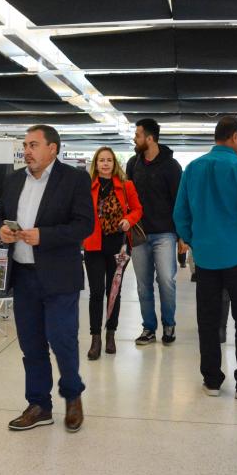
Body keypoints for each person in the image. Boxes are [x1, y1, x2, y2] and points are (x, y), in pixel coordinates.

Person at [0, 125, 93, 433]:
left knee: (63, 341)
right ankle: (39, 404)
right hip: (24, 276)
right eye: (25, 145)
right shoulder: (12, 180)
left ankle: (73, 397)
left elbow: (84, 225)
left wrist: (44, 236)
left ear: (53, 149)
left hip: (60, 276)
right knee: (31, 344)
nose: (27, 151)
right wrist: (1, 229)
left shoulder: (74, 179)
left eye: (33, 145)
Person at [174, 116, 237, 400]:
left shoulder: (192, 168)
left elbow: (180, 213)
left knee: (208, 318)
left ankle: (212, 380)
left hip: (205, 259)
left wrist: (195, 239)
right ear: (236, 136)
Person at [125, 118, 183, 346]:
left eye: (137, 135)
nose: (135, 139)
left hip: (165, 233)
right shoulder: (133, 164)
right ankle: (148, 328)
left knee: (167, 280)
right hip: (139, 234)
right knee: (142, 284)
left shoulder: (171, 166)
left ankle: (169, 324)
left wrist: (182, 236)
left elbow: (179, 202)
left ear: (149, 138)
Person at [82, 147, 142, 360]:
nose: (105, 164)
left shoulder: (126, 186)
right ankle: (95, 338)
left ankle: (111, 334)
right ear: (96, 164)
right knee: (96, 293)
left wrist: (129, 220)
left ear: (114, 163)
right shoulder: (87, 186)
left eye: (109, 160)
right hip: (93, 247)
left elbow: (137, 209)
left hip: (119, 247)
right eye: (101, 160)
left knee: (114, 293)